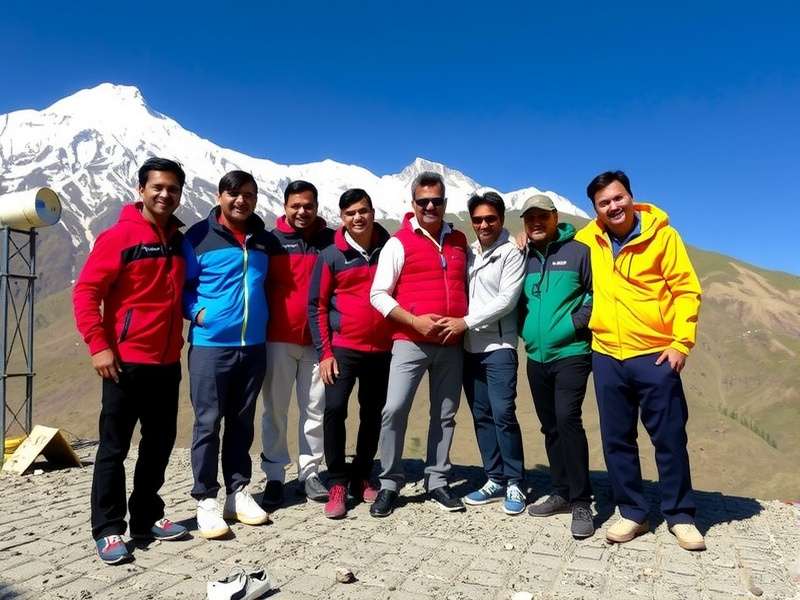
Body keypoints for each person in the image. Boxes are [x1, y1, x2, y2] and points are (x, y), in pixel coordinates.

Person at [577, 170, 705, 551]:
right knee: (616, 439)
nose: (613, 206)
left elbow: (686, 289)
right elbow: (555, 238)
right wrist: (523, 237)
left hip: (655, 354)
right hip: (606, 355)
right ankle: (632, 511)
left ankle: (680, 516)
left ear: (631, 197)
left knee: (668, 438)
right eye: (604, 203)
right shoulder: (589, 239)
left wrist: (682, 343)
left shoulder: (663, 237)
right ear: (596, 209)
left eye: (618, 198)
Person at [73, 157, 189, 565]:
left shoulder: (178, 239)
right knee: (114, 447)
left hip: (166, 361)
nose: (165, 194)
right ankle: (107, 529)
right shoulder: (118, 236)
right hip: (124, 361)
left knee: (158, 444)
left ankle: (146, 518)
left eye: (173, 189)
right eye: (157, 187)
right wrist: (98, 344)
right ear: (141, 190)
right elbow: (86, 292)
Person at [369, 171, 469, 517]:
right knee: (394, 408)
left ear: (444, 203)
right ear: (413, 204)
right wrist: (414, 321)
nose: (430, 206)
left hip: (450, 343)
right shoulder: (398, 243)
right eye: (423, 201)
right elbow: (378, 294)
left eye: (436, 201)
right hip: (410, 341)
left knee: (445, 414)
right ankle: (389, 483)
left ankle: (438, 480)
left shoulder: (459, 243)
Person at [183, 171, 271, 538]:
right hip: (210, 346)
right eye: (233, 194)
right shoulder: (197, 237)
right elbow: (180, 285)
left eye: (248, 194)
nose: (241, 201)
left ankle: (238, 492)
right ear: (219, 196)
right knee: (207, 423)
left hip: (253, 346)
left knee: (242, 421)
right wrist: (197, 312)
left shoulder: (265, 241)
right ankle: (205, 500)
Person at [435, 191, 526, 515]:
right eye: (478, 219)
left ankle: (515, 481)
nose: (484, 224)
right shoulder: (468, 252)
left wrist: (464, 322)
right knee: (482, 416)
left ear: (501, 218)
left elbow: (507, 300)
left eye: (490, 218)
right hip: (469, 347)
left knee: (503, 414)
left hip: (499, 347)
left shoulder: (512, 253)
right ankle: (494, 477)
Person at [308, 188, 392, 519]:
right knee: (334, 411)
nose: (358, 217)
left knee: (373, 414)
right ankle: (338, 482)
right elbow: (316, 306)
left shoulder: (390, 250)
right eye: (350, 213)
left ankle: (361, 476)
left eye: (363, 211)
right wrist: (325, 352)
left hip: (382, 349)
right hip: (343, 348)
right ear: (342, 218)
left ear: (372, 212)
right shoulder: (331, 256)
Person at [516, 194, 595, 539]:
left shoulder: (579, 252)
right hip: (536, 357)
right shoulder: (523, 256)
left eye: (541, 217)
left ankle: (581, 501)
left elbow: (595, 296)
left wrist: (572, 326)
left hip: (572, 353)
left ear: (554, 217)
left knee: (568, 420)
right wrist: (525, 331)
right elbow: (516, 300)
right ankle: (561, 491)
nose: (535, 223)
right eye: (529, 218)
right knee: (550, 426)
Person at [260, 180, 335, 509]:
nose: (302, 211)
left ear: (317, 207)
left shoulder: (331, 241)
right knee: (275, 409)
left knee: (314, 410)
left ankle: (310, 473)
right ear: (285, 206)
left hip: (318, 343)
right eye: (296, 206)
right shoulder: (271, 242)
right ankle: (275, 475)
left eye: (308, 206)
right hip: (278, 338)